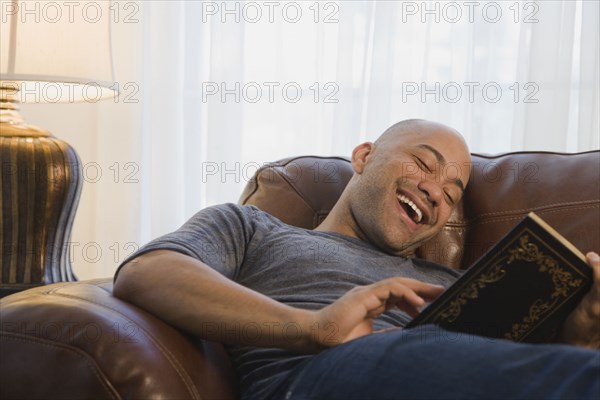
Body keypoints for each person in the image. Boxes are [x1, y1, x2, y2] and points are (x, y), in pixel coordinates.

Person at [113, 119, 600, 399]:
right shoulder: (253, 228)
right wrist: (313, 328)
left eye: (452, 193)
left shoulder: (461, 283)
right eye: (424, 163)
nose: (435, 191)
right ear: (365, 156)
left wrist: (579, 336)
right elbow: (146, 272)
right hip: (319, 378)